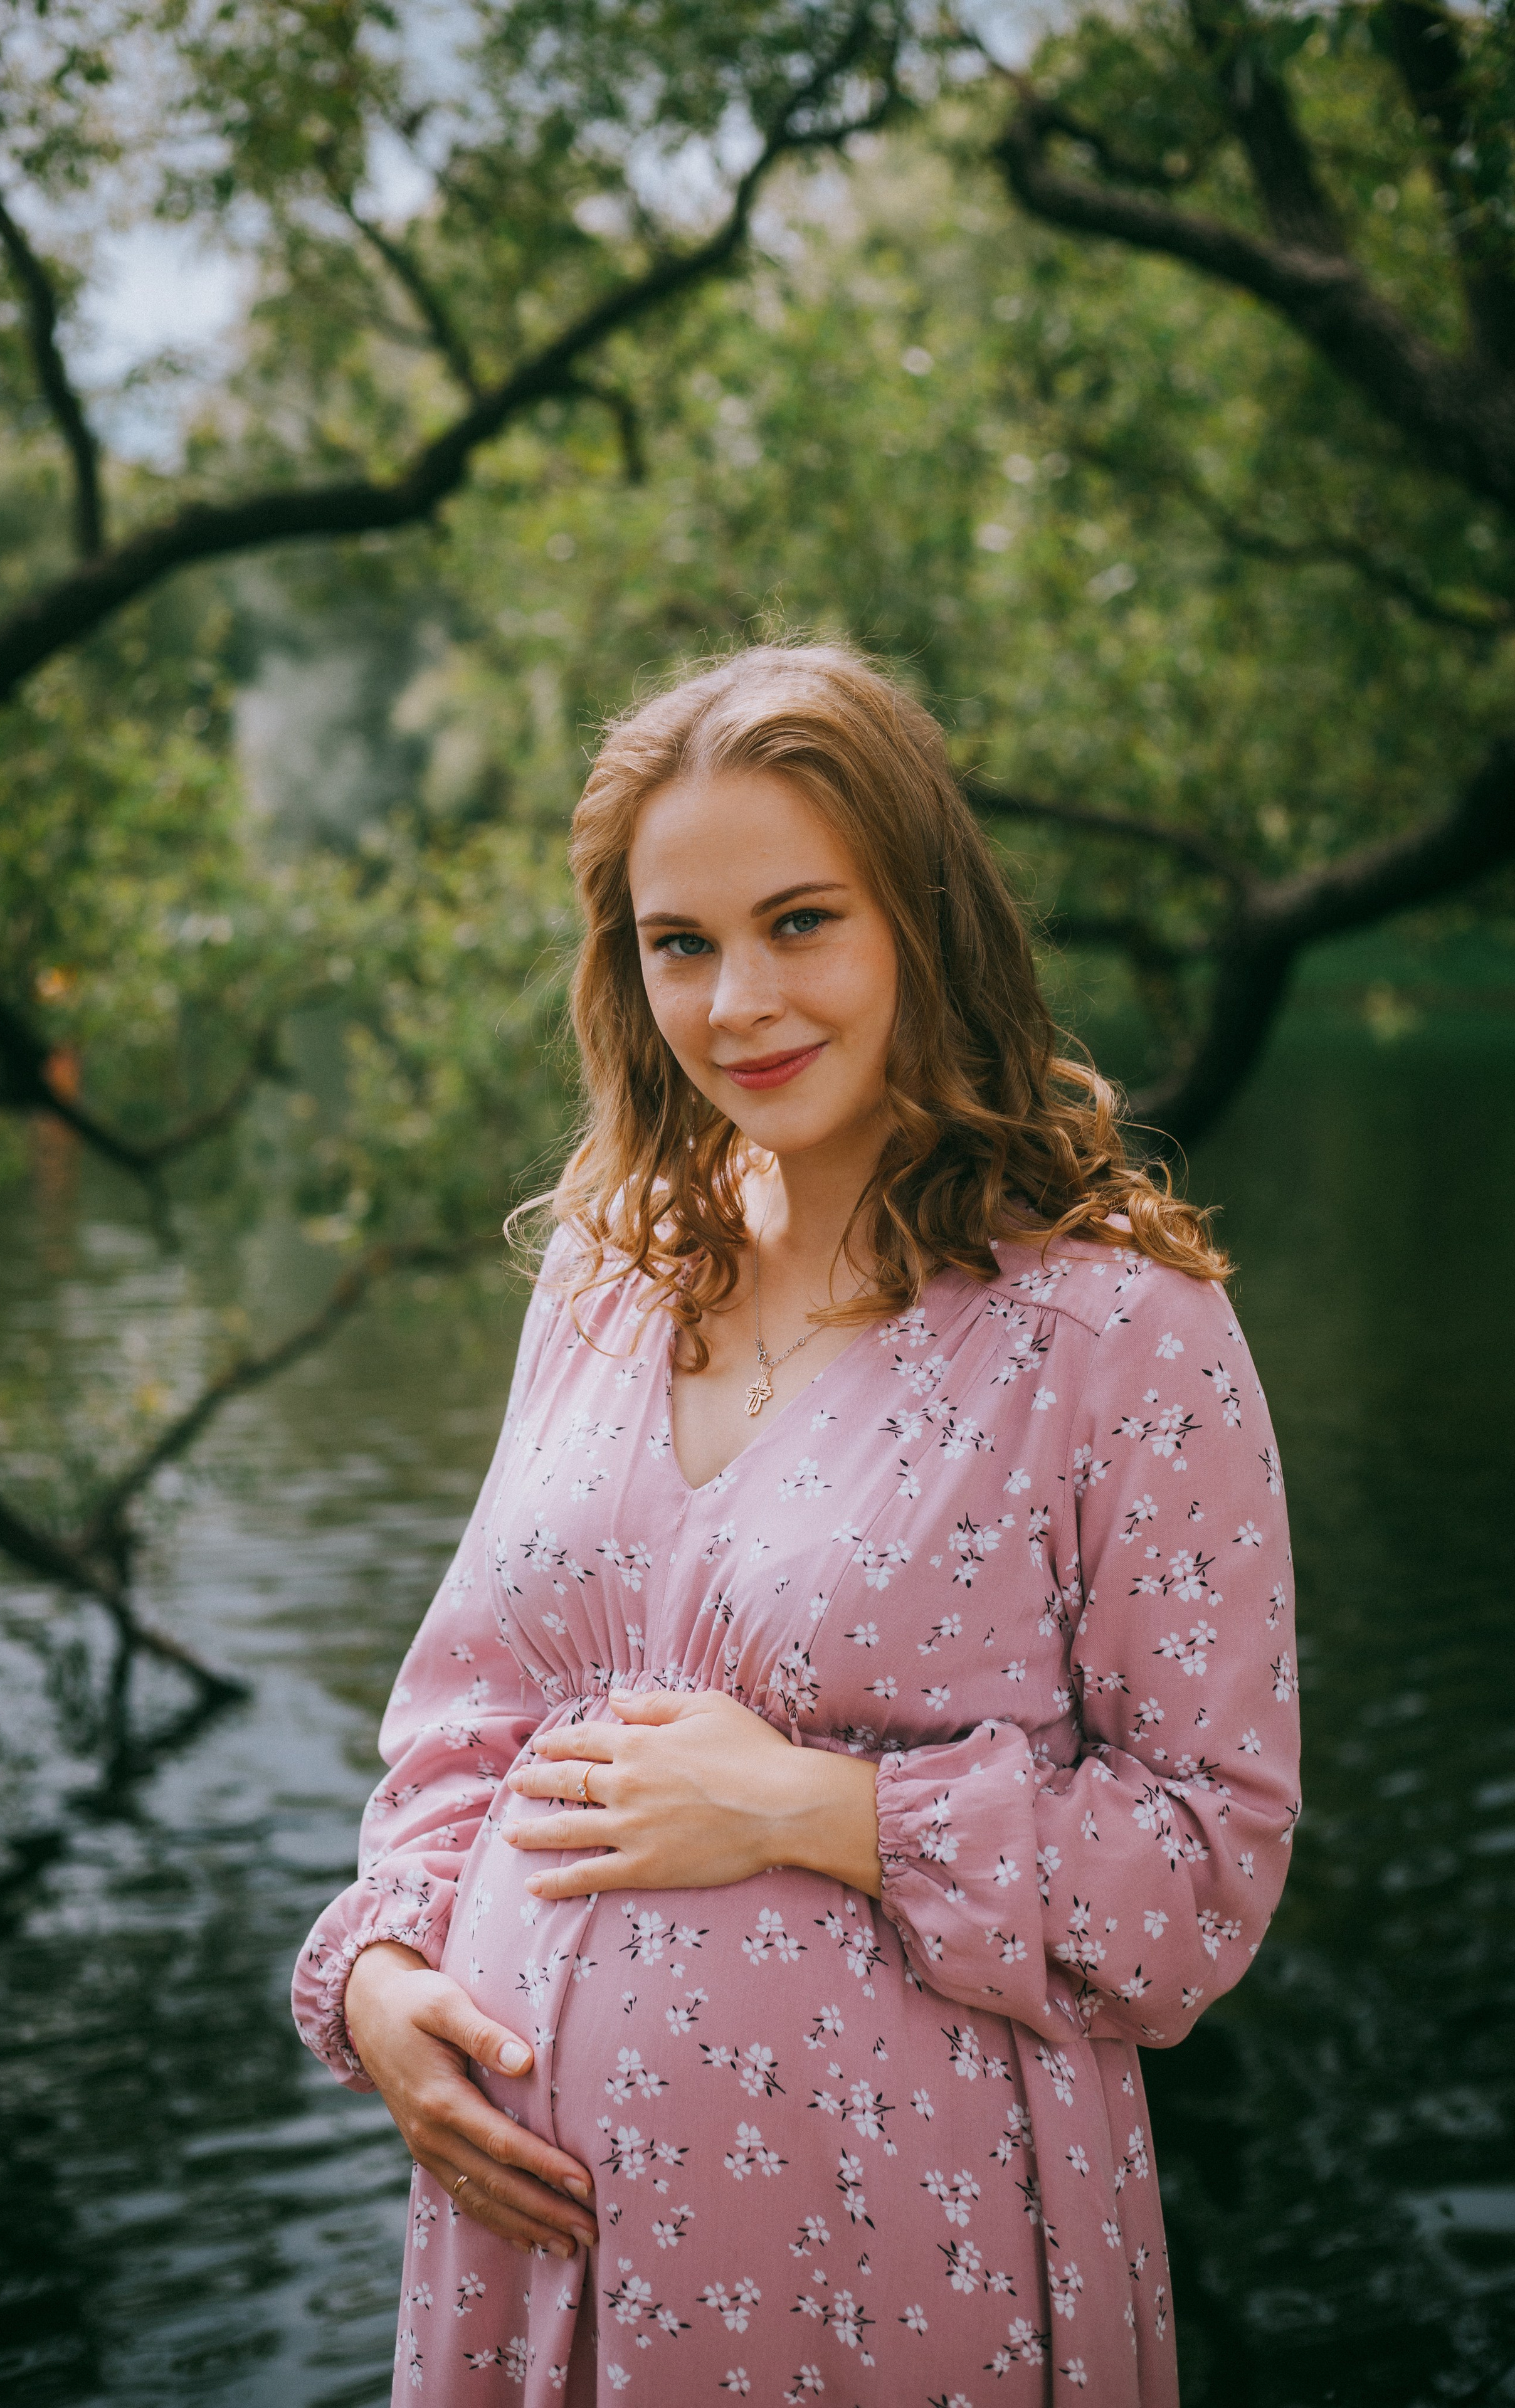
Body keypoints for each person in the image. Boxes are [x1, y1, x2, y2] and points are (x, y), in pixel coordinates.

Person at [292, 642, 1300, 2406]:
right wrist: (383, 1971)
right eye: (680, 944)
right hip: (524, 2268)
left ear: (925, 921)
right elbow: (462, 1726)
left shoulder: (1118, 1335)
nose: (738, 1000)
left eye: (800, 922)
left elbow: (1203, 1873)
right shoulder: (611, 1272)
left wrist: (826, 1810)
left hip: (891, 2258)